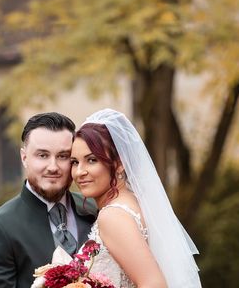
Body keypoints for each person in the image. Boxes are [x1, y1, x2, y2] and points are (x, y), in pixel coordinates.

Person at [70, 108, 201, 288]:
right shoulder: (134, 202)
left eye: (92, 160)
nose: (79, 172)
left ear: (119, 163)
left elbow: (154, 284)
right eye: (74, 162)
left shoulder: (112, 216)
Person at [0, 112, 96, 288]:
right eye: (43, 155)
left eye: (63, 156)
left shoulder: (97, 210)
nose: (53, 167)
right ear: (24, 158)